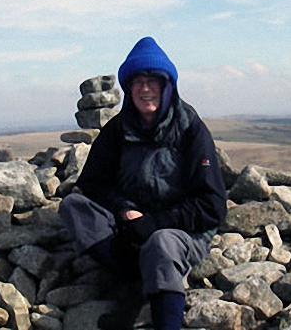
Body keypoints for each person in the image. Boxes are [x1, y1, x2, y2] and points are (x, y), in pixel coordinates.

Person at [59, 36, 227, 330]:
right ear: (127, 88)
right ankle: (136, 279)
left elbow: (212, 206)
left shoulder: (191, 130)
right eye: (137, 82)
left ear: (168, 86)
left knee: (160, 244)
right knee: (74, 206)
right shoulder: (117, 129)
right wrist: (124, 209)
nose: (145, 88)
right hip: (131, 227)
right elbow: (92, 184)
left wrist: (155, 224)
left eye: (154, 80)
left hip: (182, 232)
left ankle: (159, 314)